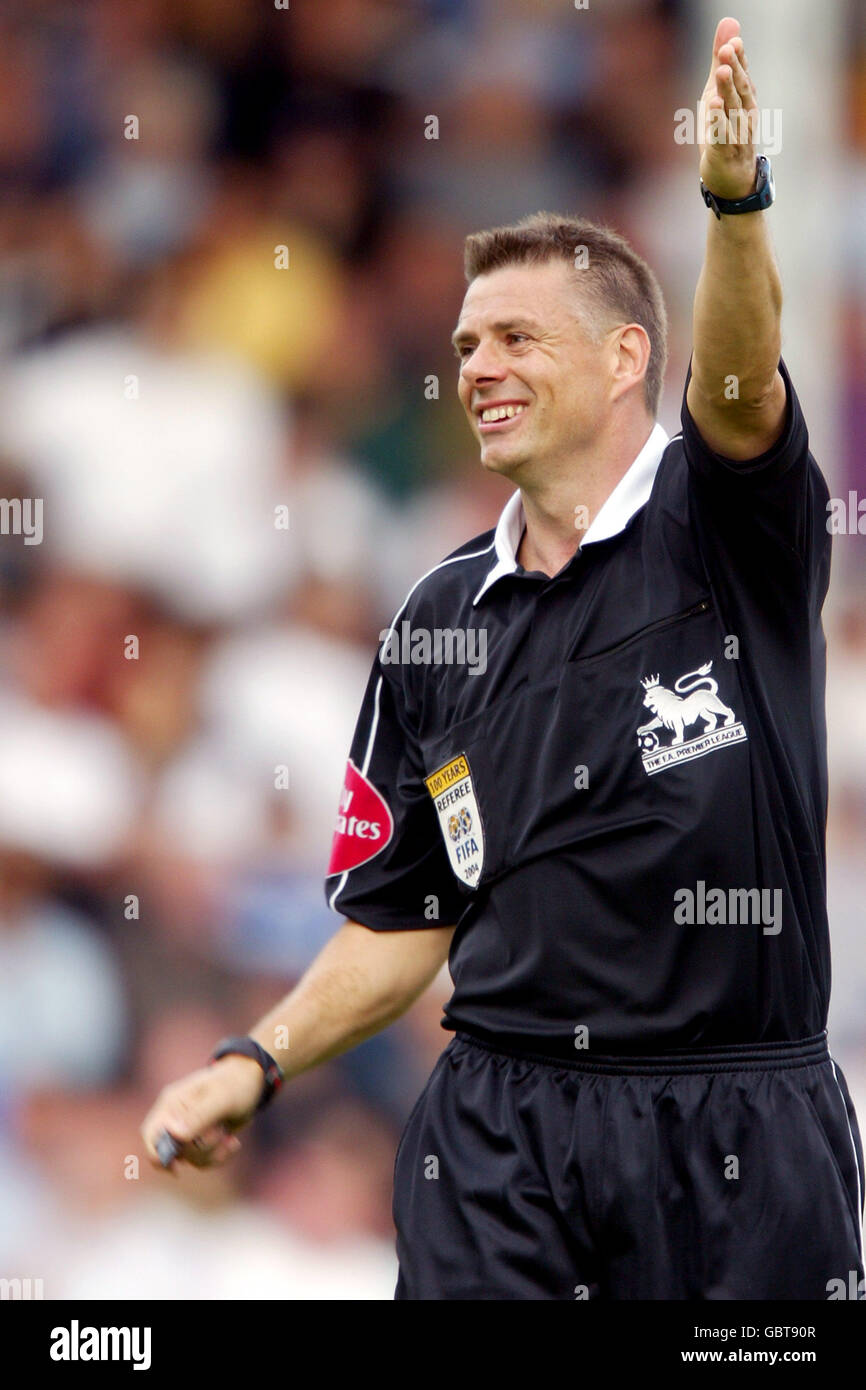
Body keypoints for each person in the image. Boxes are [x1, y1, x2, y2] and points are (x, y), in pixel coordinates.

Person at [142, 18, 865, 1300]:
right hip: (497, 1133)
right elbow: (402, 913)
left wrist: (733, 203)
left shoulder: (725, 532)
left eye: (518, 338)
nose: (478, 365)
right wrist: (253, 1058)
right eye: (469, 343)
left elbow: (745, 386)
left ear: (624, 357)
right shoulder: (433, 618)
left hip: (737, 1128)